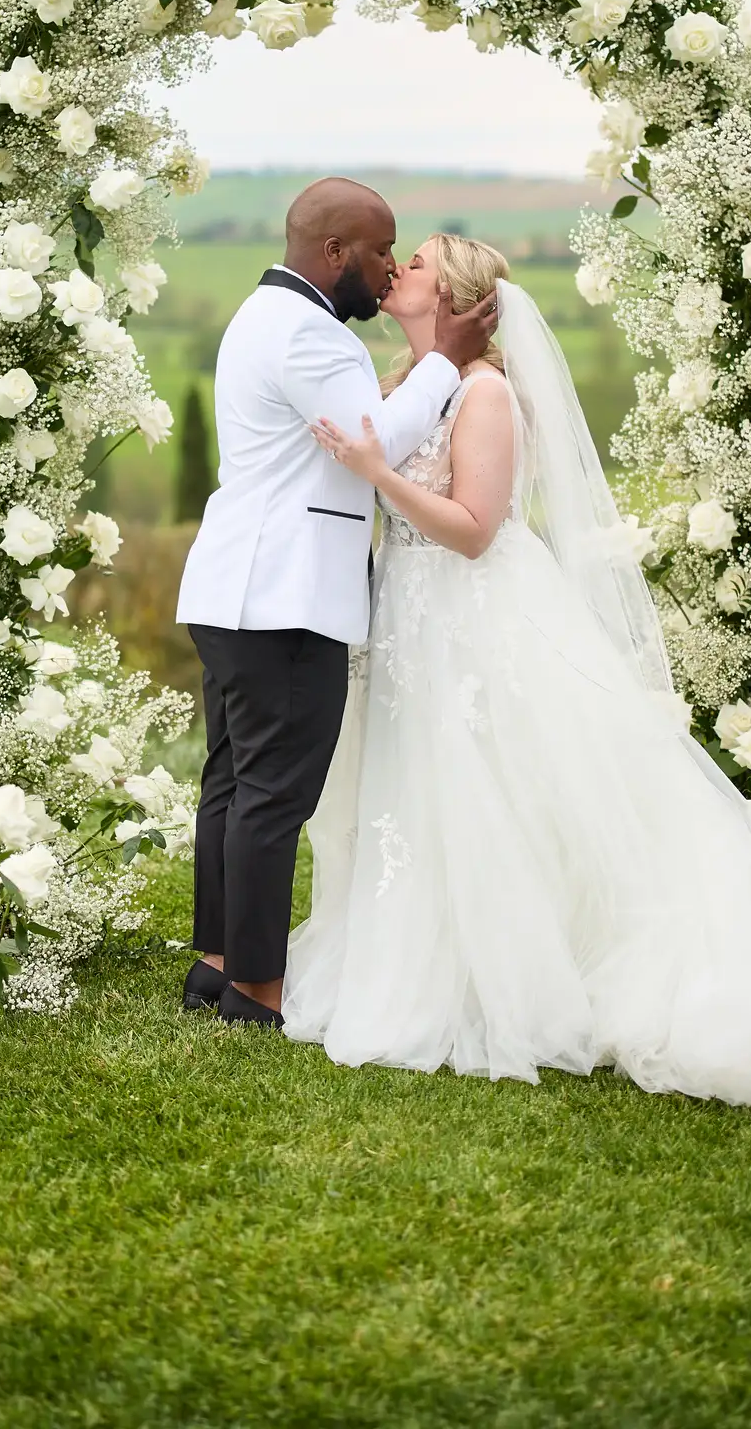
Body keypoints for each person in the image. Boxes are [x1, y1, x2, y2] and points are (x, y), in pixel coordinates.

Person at [282, 233, 751, 1102]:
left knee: (503, 788)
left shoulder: (484, 394)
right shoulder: (407, 383)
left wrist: (376, 474)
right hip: (410, 617)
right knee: (429, 791)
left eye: (419, 263)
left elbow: (476, 529)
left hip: (476, 616)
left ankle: (535, 973)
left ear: (453, 297)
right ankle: (428, 954)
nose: (399, 267)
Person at [175, 181, 498, 1027]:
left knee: (236, 783)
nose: (389, 268)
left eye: (403, 256)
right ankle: (254, 991)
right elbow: (376, 447)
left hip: (242, 587)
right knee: (272, 796)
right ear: (334, 254)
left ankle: (215, 967)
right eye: (381, 251)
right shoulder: (311, 336)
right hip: (284, 596)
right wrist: (443, 360)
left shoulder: (268, 316)